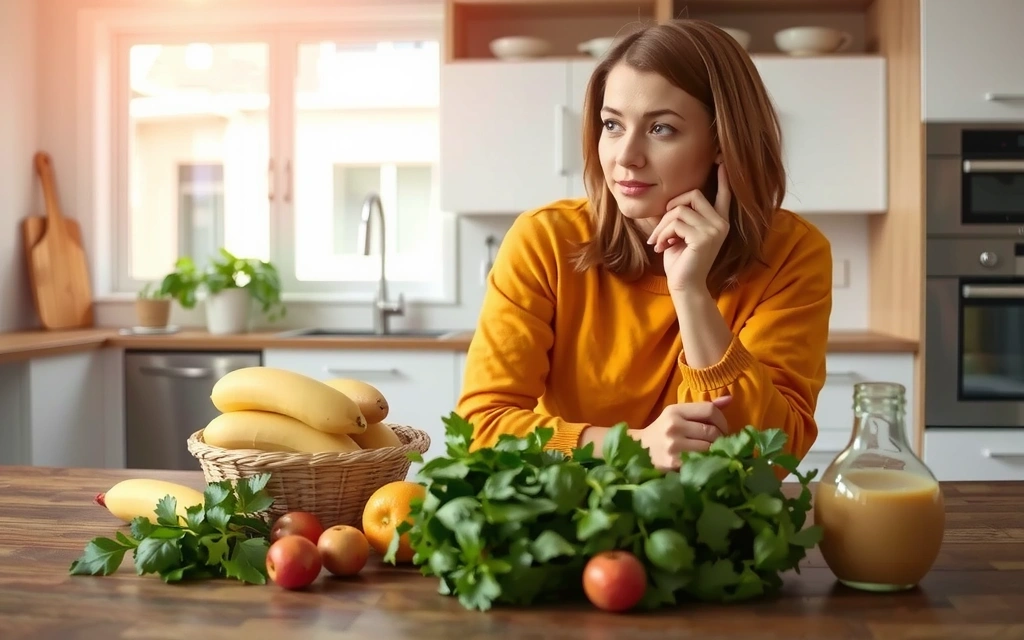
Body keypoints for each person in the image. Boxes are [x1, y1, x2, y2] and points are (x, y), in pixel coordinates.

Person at [455, 18, 832, 471]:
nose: (625, 157)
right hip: (566, 522)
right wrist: (633, 445)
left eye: (661, 129)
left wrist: (690, 292)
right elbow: (481, 428)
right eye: (612, 125)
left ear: (721, 140)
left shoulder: (793, 253)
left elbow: (771, 455)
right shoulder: (545, 241)